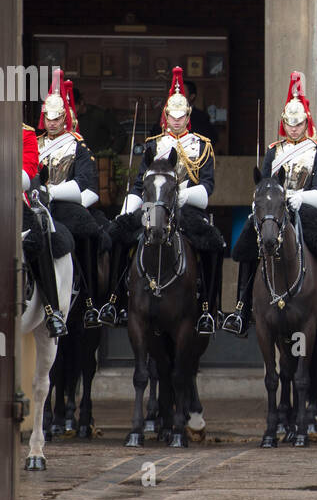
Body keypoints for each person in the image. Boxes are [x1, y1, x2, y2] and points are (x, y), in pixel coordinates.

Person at [100, 67, 223, 334]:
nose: (176, 121)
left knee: (213, 244)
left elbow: (209, 185)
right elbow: (138, 183)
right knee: (121, 236)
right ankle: (115, 301)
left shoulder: (202, 146)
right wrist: (126, 211)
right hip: (153, 208)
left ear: (188, 116)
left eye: (181, 117)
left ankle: (208, 309)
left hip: (186, 209)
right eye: (172, 116)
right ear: (165, 116)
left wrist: (182, 195)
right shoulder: (153, 145)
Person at [227, 72, 317, 337]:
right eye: (290, 124)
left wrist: (300, 198)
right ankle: (241, 308)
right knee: (247, 243)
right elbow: (263, 184)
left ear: (306, 123)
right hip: (274, 209)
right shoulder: (274, 151)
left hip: (303, 208)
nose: (294, 128)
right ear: (284, 123)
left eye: (299, 124)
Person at [37, 68, 106, 327]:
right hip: (36, 203)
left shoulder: (76, 146)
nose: (52, 123)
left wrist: (52, 192)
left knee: (87, 229)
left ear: (64, 117)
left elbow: (83, 183)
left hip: (64, 203)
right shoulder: (34, 142)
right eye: (48, 118)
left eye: (56, 118)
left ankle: (89, 301)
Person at [22, 121, 71, 337]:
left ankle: (52, 309)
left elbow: (28, 171)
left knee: (39, 228)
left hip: (11, 198)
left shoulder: (25, 134)